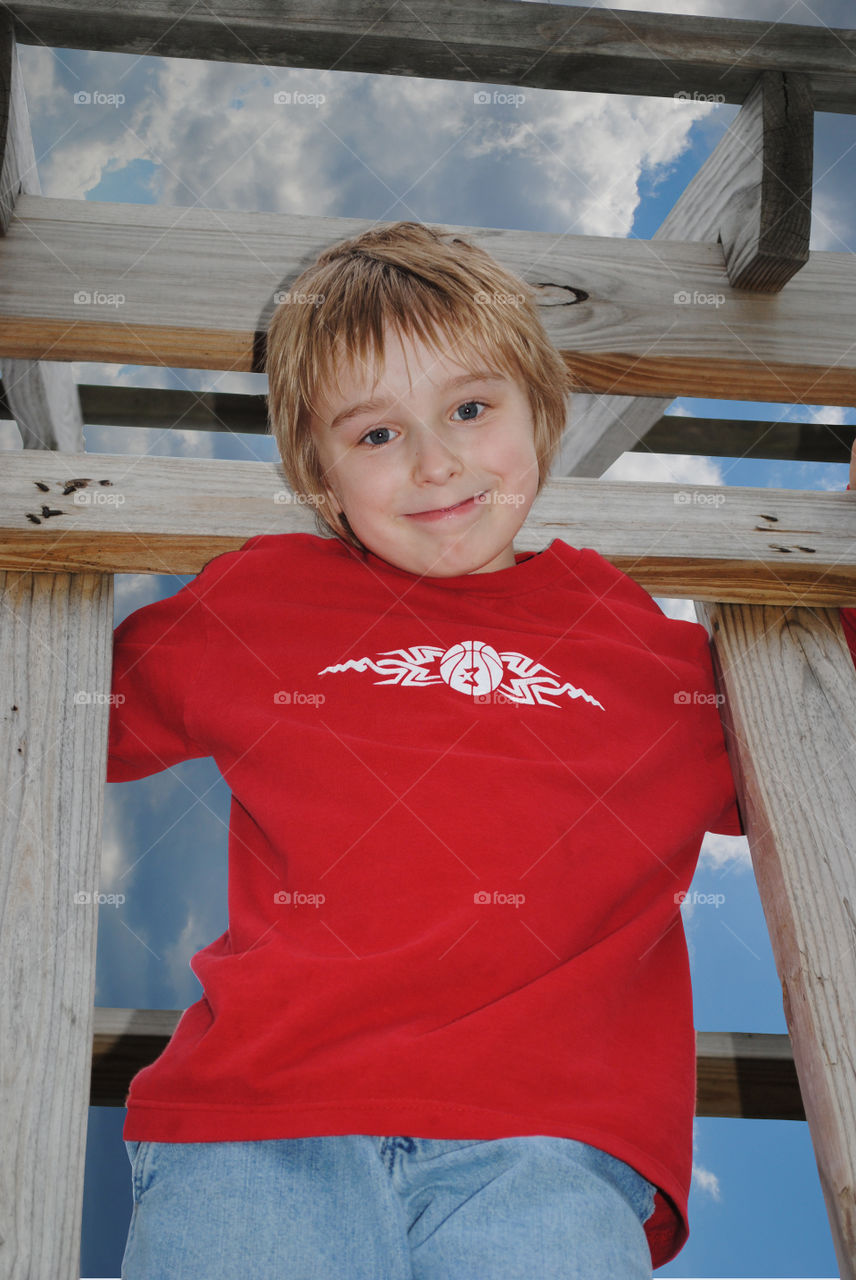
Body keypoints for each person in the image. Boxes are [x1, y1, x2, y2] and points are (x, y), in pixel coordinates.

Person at [110, 221, 856, 1280]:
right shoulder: (262, 597)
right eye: (375, 435)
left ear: (540, 414)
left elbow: (816, 701)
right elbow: (62, 705)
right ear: (321, 479)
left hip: (546, 1142)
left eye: (469, 407)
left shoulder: (634, 640)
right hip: (261, 1117)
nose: (434, 460)